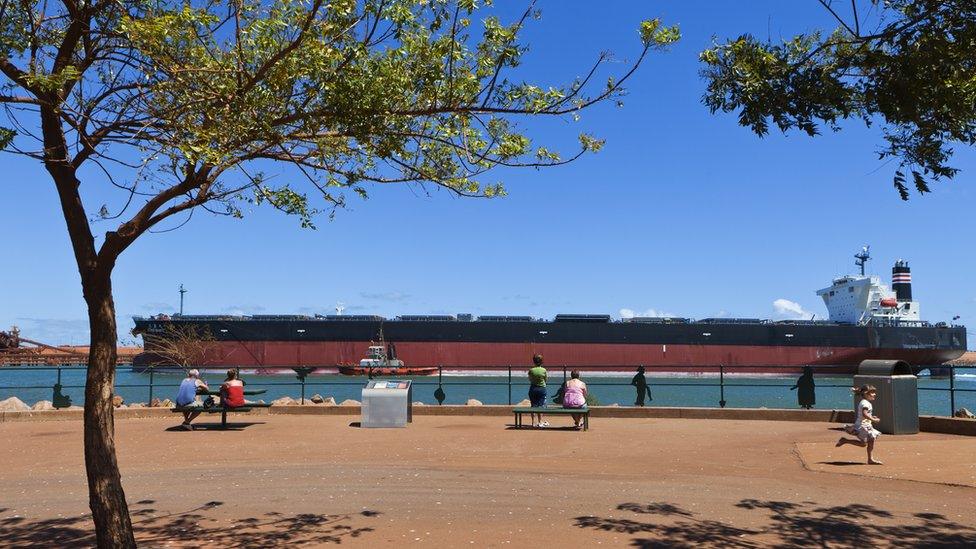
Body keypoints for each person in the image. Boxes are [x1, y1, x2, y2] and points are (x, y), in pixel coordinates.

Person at [836, 385, 883, 464]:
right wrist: (873, 419)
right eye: (872, 392)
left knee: (870, 441)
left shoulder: (865, 402)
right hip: (862, 426)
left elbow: (865, 414)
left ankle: (870, 459)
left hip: (866, 425)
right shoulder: (865, 403)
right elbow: (864, 414)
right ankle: (845, 440)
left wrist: (871, 417)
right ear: (865, 394)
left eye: (874, 392)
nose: (874, 394)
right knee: (864, 444)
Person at [527, 354, 548, 428]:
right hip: (542, 388)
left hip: (533, 388)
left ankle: (533, 422)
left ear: (534, 361)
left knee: (533, 405)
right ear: (542, 361)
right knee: (541, 405)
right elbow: (546, 380)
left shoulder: (531, 370)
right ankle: (540, 421)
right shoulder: (544, 370)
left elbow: (530, 379)